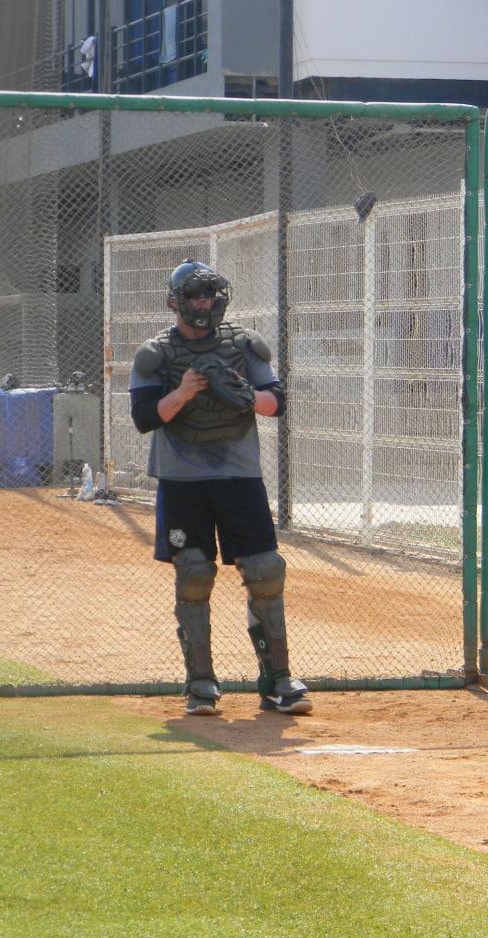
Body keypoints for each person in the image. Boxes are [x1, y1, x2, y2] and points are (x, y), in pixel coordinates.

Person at [128, 260, 311, 717]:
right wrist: (186, 391)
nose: (204, 304)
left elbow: (278, 403)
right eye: (194, 296)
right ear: (176, 301)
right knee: (193, 572)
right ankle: (201, 683)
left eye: (210, 296)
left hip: (238, 475)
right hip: (182, 479)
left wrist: (246, 394)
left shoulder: (243, 344)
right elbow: (146, 417)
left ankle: (277, 681)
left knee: (265, 570)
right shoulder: (155, 353)